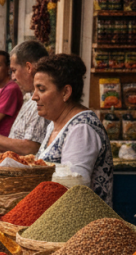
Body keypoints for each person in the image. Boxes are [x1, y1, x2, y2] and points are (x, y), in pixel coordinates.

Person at [33, 54, 113, 205]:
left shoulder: (82, 129)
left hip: (82, 225)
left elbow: (74, 190)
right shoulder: (54, 124)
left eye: (41, 89)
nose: (34, 96)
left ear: (65, 92)